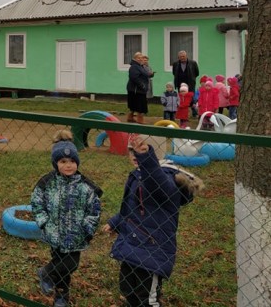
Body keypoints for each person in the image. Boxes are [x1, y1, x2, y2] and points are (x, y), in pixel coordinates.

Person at [101, 135, 204, 307]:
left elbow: (157, 182)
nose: (135, 155)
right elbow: (131, 206)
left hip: (153, 248)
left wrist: (146, 158)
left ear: (154, 153)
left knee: (147, 297)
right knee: (129, 289)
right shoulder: (138, 174)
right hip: (132, 244)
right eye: (132, 151)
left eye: (141, 151)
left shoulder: (166, 176)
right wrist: (115, 222)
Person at [32, 131, 103, 307]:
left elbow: (94, 209)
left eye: (72, 161)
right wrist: (44, 222)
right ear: (56, 163)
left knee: (70, 264)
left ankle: (45, 272)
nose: (68, 165)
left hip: (76, 235)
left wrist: (87, 229)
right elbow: (36, 202)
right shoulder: (47, 182)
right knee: (61, 265)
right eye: (63, 162)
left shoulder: (85, 186)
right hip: (54, 233)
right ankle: (61, 296)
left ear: (77, 163)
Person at [171, 51, 199, 118]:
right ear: (178, 57)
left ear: (186, 56)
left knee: (191, 98)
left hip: (190, 83)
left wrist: (192, 78)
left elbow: (197, 73)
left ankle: (194, 113)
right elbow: (174, 73)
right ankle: (182, 113)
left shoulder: (193, 63)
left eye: (183, 56)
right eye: (180, 57)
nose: (182, 58)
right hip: (180, 83)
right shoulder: (175, 64)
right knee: (181, 98)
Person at [126, 52, 151, 123]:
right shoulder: (134, 66)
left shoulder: (140, 66)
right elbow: (134, 77)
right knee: (140, 106)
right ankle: (140, 120)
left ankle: (130, 118)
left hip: (139, 89)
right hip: (136, 90)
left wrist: (150, 74)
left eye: (141, 58)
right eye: (139, 58)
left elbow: (145, 74)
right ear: (135, 58)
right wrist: (142, 85)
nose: (140, 59)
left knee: (134, 105)